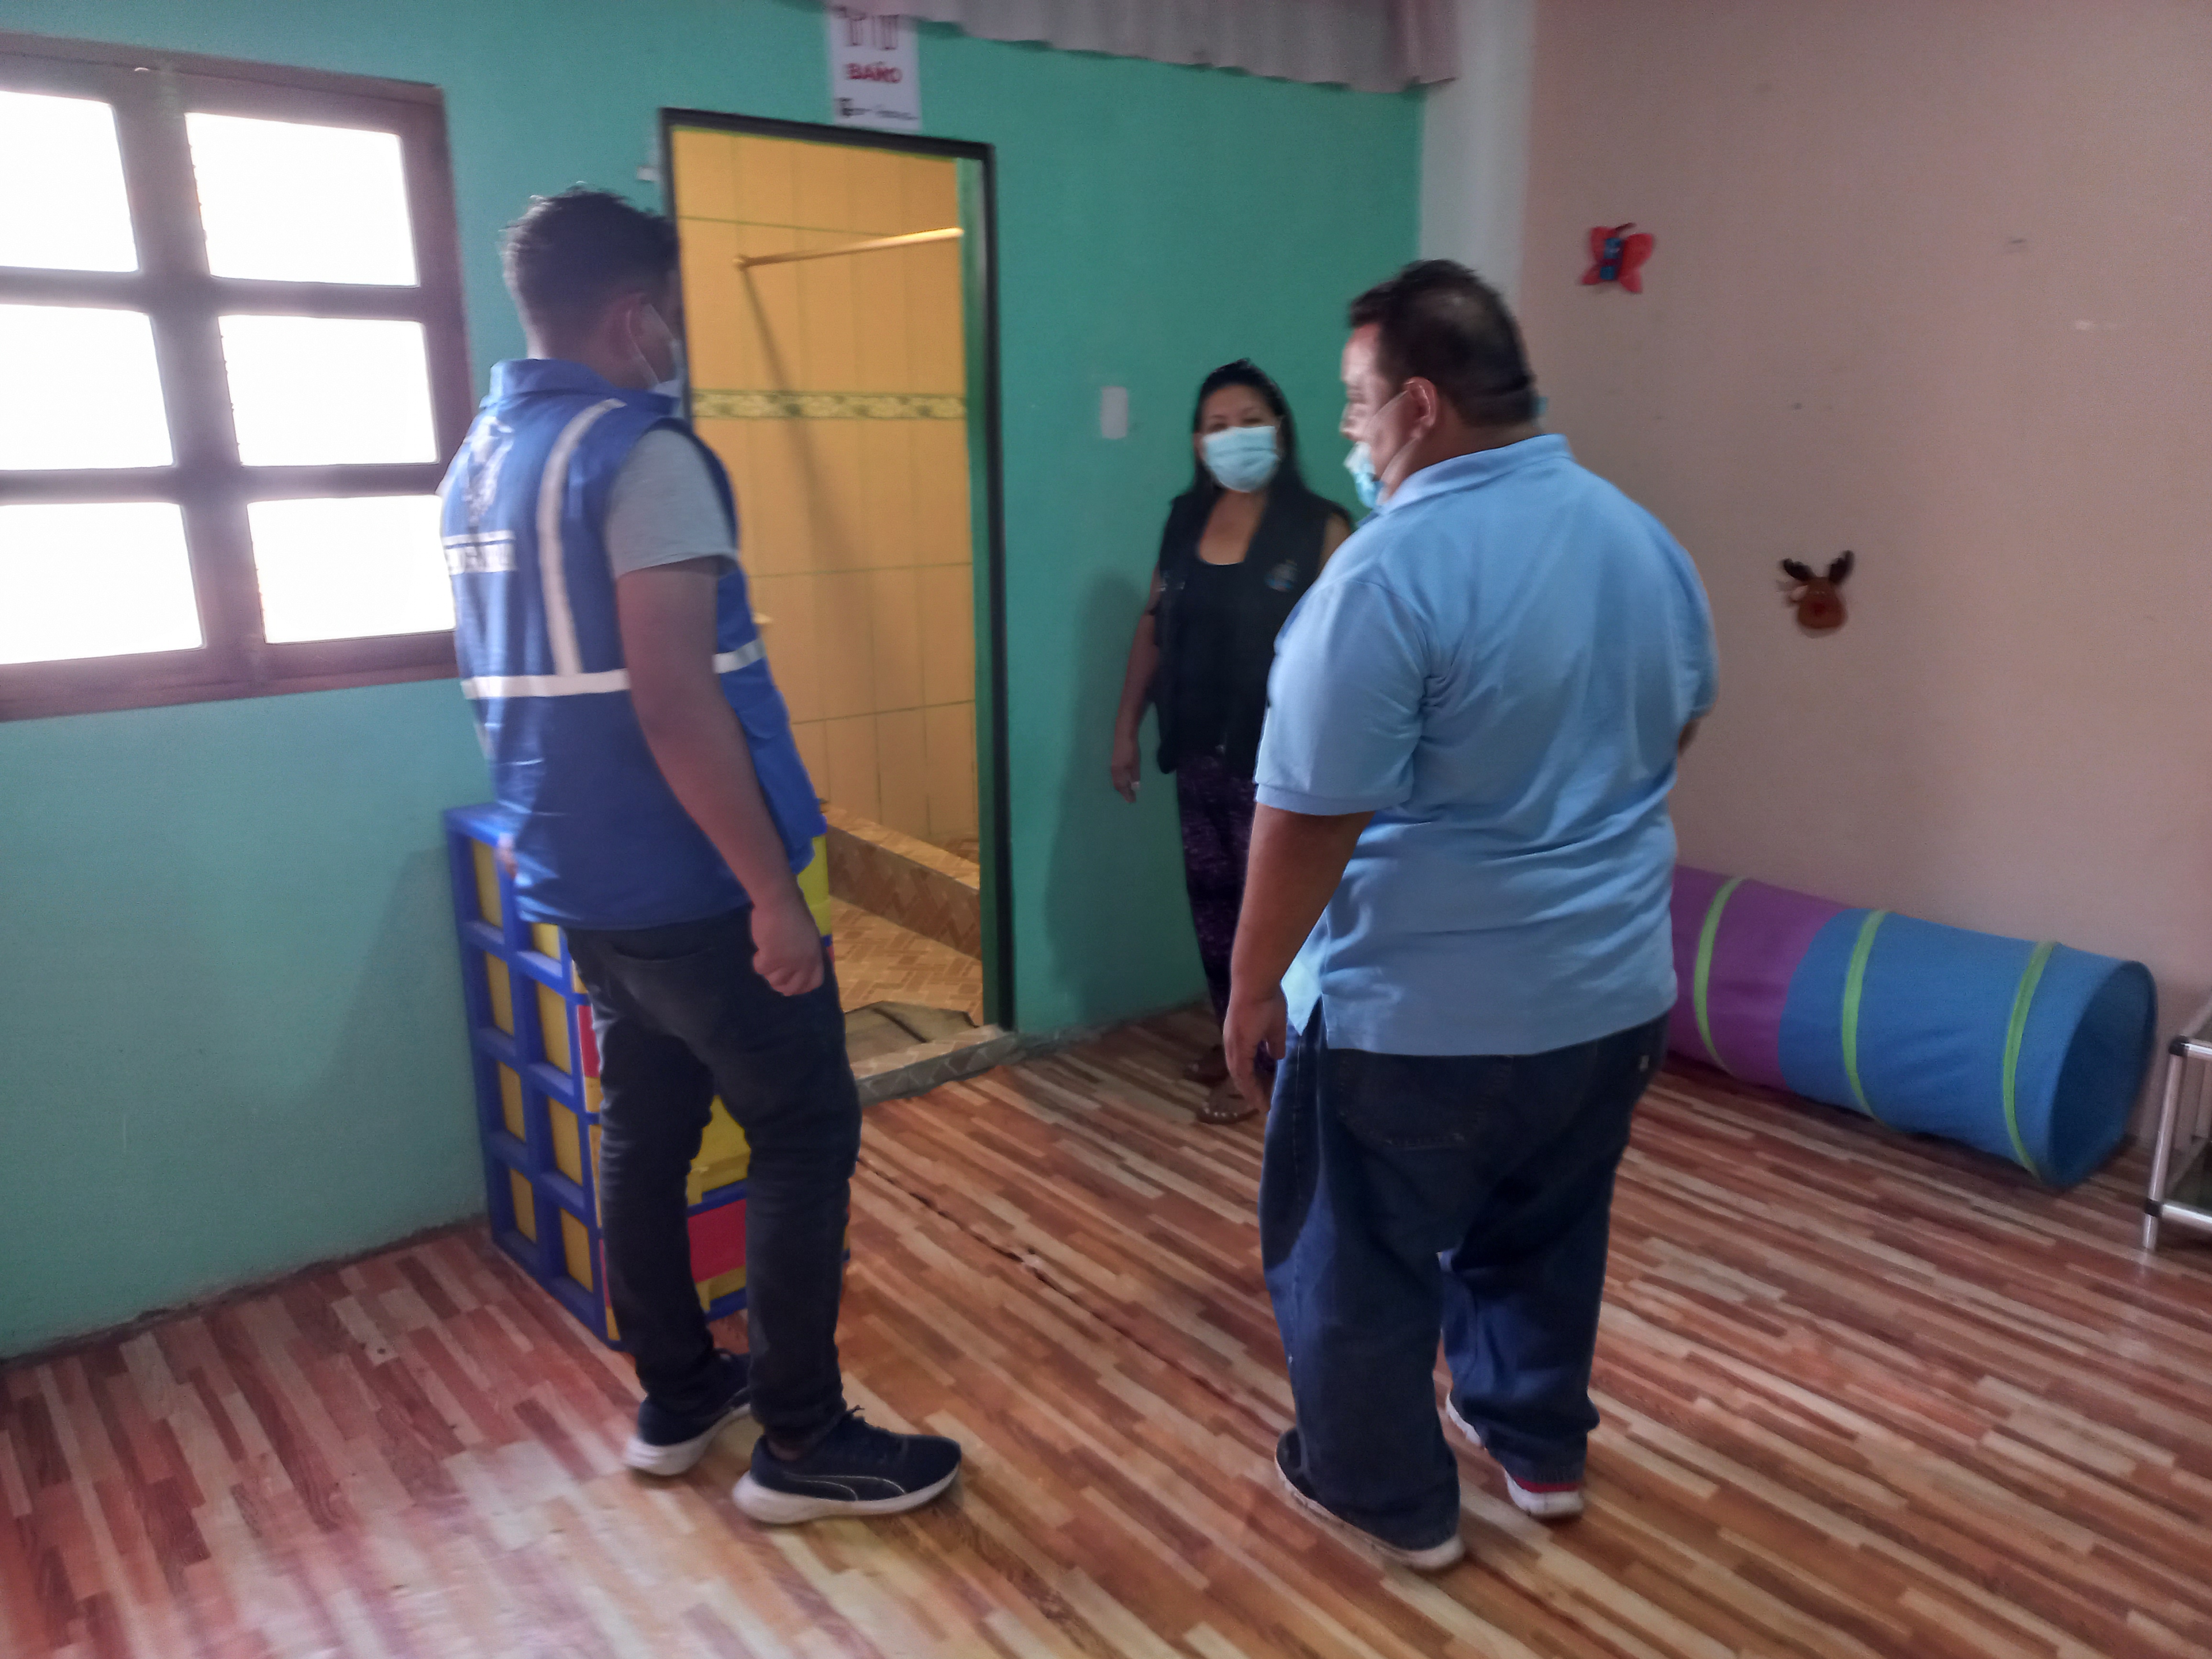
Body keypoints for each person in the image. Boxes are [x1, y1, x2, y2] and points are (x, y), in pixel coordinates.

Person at [439, 188, 961, 1523]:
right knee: (803, 1128)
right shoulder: (640, 454)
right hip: (693, 881)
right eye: (670, 312)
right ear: (632, 314)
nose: (676, 338)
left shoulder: (483, 462)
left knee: (647, 1123)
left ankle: (678, 1396)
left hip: (579, 876)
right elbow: (674, 700)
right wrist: (771, 893)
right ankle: (804, 1441)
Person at [1223, 261, 1717, 1571]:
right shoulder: (1640, 540)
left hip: (1420, 1020)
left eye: (1355, 401)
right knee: (1542, 1231)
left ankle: (1382, 1491)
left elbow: (1308, 812)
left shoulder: (1388, 576)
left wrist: (1252, 986)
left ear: (1420, 405)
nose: (1349, 430)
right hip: (1611, 999)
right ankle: (1534, 1443)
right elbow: (1674, 723)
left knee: (1357, 1255)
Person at [1109, 361, 1352, 1124]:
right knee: (1215, 911)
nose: (1234, 436)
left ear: (1279, 429)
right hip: (1198, 753)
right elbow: (1154, 625)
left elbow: (1352, 654)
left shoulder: (1321, 527)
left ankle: (1277, 1070)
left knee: (1272, 921)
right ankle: (1234, 1040)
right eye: (1217, 426)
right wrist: (1125, 727)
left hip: (1282, 768)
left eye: (1249, 420)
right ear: (1197, 442)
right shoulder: (1186, 519)